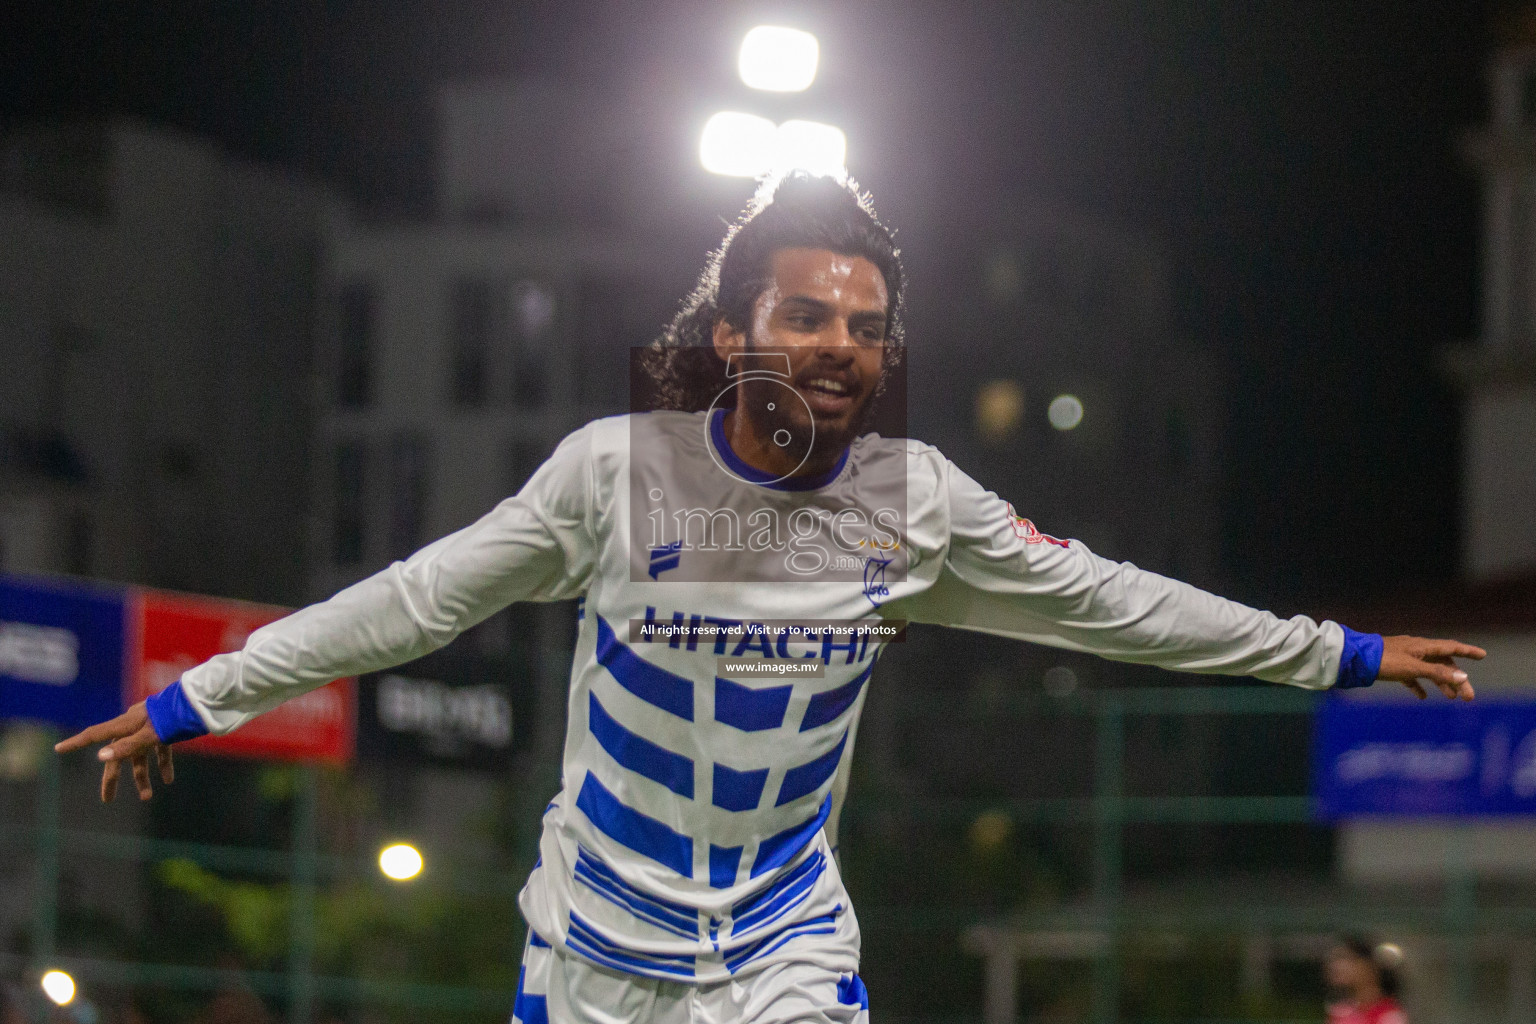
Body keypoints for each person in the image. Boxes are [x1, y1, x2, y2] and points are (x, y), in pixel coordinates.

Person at [56, 173, 1484, 1024]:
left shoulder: (916, 502)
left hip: (782, 947)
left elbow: (1121, 605)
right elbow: (414, 602)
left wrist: (1341, 654)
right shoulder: (611, 478)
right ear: (735, 330)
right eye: (809, 315)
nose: (842, 346)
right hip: (595, 944)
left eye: (869, 327)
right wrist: (201, 694)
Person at [1326, 936, 1407, 1024]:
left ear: (1370, 965)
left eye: (1345, 957)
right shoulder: (1341, 1012)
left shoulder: (1389, 1016)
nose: (1335, 966)